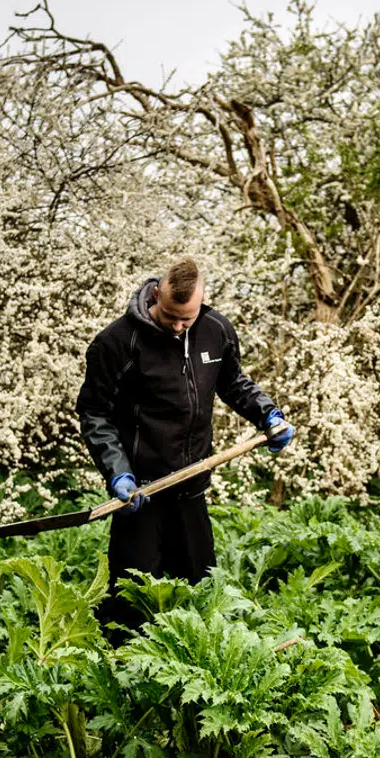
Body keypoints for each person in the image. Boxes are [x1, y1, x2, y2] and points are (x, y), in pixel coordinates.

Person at [76, 258, 294, 639]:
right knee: (131, 608)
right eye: (170, 317)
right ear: (155, 294)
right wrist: (118, 472)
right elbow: (94, 413)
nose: (178, 327)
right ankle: (119, 670)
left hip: (191, 491)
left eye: (186, 320)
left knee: (201, 600)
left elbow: (233, 382)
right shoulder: (117, 343)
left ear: (202, 302)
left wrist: (268, 414)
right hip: (140, 496)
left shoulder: (215, 331)